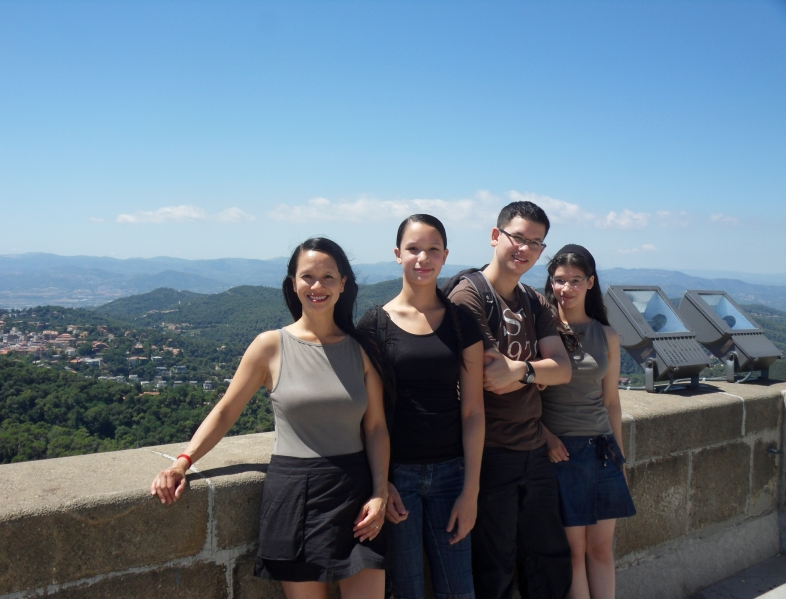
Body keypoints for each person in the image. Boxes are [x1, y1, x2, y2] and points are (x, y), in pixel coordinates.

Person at [150, 237, 390, 599]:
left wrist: (380, 492)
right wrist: (182, 462)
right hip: (295, 494)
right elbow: (226, 410)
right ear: (293, 283)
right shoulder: (270, 346)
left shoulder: (361, 350)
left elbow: (376, 428)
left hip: (357, 495)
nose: (318, 286)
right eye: (308, 276)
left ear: (343, 284)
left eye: (328, 277)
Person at [446, 200, 573, 599]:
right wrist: (536, 373)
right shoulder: (468, 297)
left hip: (533, 448)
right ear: (495, 236)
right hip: (491, 453)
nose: (525, 249)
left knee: (548, 560)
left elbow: (563, 370)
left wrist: (520, 371)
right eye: (518, 237)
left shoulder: (533, 300)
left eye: (536, 243)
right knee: (495, 566)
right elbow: (490, 377)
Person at [357, 214, 485, 599]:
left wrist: (471, 491)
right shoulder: (375, 325)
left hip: (452, 473)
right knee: (407, 589)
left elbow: (473, 411)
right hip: (399, 477)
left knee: (459, 589)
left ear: (445, 255)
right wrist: (381, 483)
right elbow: (370, 419)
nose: (423, 258)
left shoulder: (462, 322)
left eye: (433, 249)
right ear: (398, 254)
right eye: (413, 248)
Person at [541, 244, 636, 599]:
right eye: (559, 280)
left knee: (600, 549)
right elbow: (525, 399)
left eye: (575, 280)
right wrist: (546, 436)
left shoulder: (607, 336)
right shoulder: (542, 332)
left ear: (590, 282)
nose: (565, 288)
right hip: (562, 452)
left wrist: (620, 457)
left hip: (602, 450)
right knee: (574, 551)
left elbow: (611, 402)